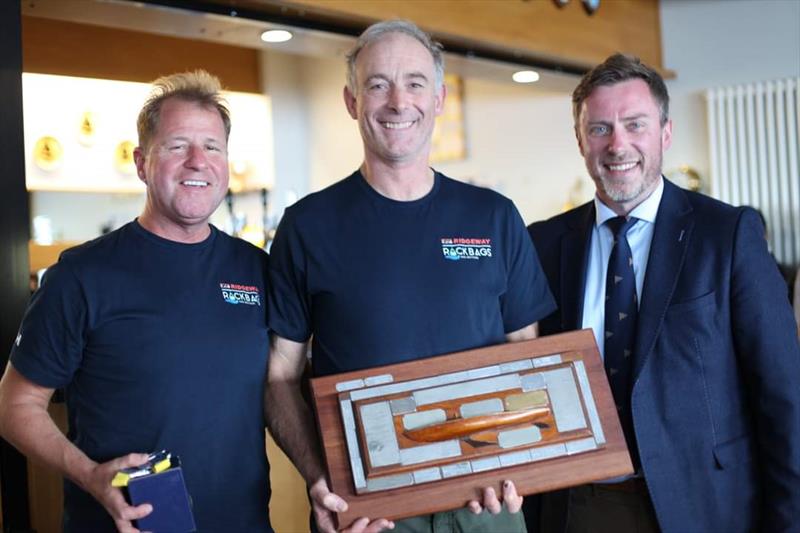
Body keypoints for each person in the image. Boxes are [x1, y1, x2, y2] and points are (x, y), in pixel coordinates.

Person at [265, 19, 556, 533]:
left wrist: (520, 462)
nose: (399, 102)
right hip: (368, 514)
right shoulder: (308, 226)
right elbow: (281, 376)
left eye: (415, 83)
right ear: (352, 102)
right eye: (377, 84)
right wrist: (319, 479)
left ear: (439, 97)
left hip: (486, 507)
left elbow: (526, 361)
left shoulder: (494, 217)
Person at [525, 53, 800, 532]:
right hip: (580, 507)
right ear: (580, 139)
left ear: (665, 132)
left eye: (635, 124)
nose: (618, 144)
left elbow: (783, 396)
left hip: (706, 506)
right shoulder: (545, 243)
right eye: (600, 128)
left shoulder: (727, 234)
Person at [0, 71, 273, 532]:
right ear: (142, 161)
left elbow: (282, 388)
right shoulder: (81, 275)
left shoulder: (257, 270)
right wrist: (90, 475)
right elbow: (15, 407)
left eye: (212, 147)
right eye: (177, 146)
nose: (197, 161)